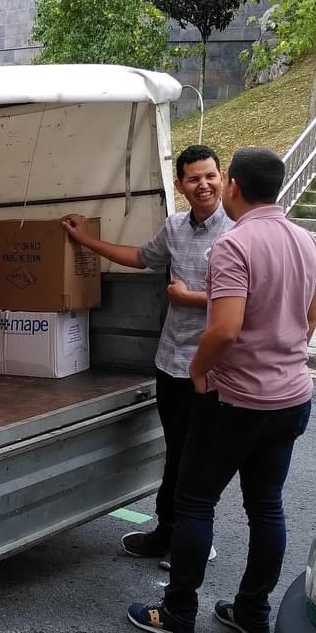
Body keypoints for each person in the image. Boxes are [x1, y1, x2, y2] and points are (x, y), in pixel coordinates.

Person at [127, 147, 316, 633]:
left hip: (236, 401)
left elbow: (224, 330)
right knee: (267, 507)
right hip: (292, 397)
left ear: (232, 184)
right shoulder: (305, 240)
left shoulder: (234, 246)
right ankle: (253, 614)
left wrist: (197, 372)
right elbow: (312, 319)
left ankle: (176, 615)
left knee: (194, 503)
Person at [62, 144, 229, 562]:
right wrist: (85, 240)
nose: (203, 185)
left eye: (210, 176)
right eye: (194, 178)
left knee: (198, 457)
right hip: (171, 361)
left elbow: (247, 301)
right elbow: (139, 257)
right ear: (180, 185)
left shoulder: (239, 231)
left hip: (211, 366)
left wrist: (190, 298)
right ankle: (168, 530)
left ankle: (193, 538)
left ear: (222, 178)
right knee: (175, 450)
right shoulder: (174, 227)